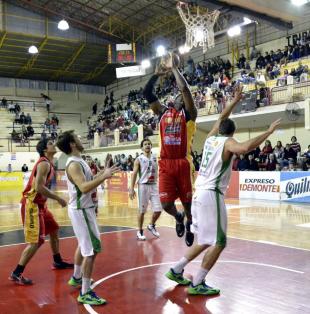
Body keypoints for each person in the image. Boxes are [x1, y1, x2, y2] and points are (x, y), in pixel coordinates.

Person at [165, 84, 281, 295]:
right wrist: (268, 132)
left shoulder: (210, 138)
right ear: (232, 133)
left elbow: (221, 117)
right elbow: (245, 148)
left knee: (205, 240)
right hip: (211, 195)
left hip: (199, 193)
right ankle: (197, 282)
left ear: (219, 128)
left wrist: (235, 102)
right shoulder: (228, 142)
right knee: (219, 241)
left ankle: (176, 269)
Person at [56, 130, 119, 305]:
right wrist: (104, 176)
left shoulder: (79, 160)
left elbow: (87, 184)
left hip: (84, 209)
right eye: (77, 137)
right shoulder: (73, 165)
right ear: (72, 144)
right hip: (81, 210)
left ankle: (76, 277)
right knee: (92, 250)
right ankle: (85, 292)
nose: (80, 138)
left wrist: (103, 174)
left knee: (84, 246)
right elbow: (84, 187)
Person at [143, 52, 197, 246]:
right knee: (166, 204)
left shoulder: (190, 114)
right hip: (166, 163)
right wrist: (156, 74)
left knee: (189, 205)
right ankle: (178, 217)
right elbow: (148, 94)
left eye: (180, 96)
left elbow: (185, 90)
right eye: (175, 95)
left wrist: (174, 68)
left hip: (183, 162)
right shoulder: (163, 112)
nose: (177, 96)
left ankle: (190, 224)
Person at [9, 139, 73, 286]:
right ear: (45, 149)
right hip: (32, 205)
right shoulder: (44, 163)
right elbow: (38, 187)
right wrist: (58, 198)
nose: (54, 144)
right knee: (36, 242)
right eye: (51, 143)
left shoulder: (48, 163)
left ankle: (57, 261)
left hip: (41, 206)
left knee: (55, 230)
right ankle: (16, 273)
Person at [129, 138, 162, 240]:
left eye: (149, 144)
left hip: (154, 185)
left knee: (158, 209)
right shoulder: (139, 159)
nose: (147, 145)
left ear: (151, 146)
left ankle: (151, 225)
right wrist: (131, 188)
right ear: (142, 147)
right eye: (145, 144)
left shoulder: (156, 157)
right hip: (143, 186)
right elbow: (134, 173)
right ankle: (139, 231)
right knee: (142, 211)